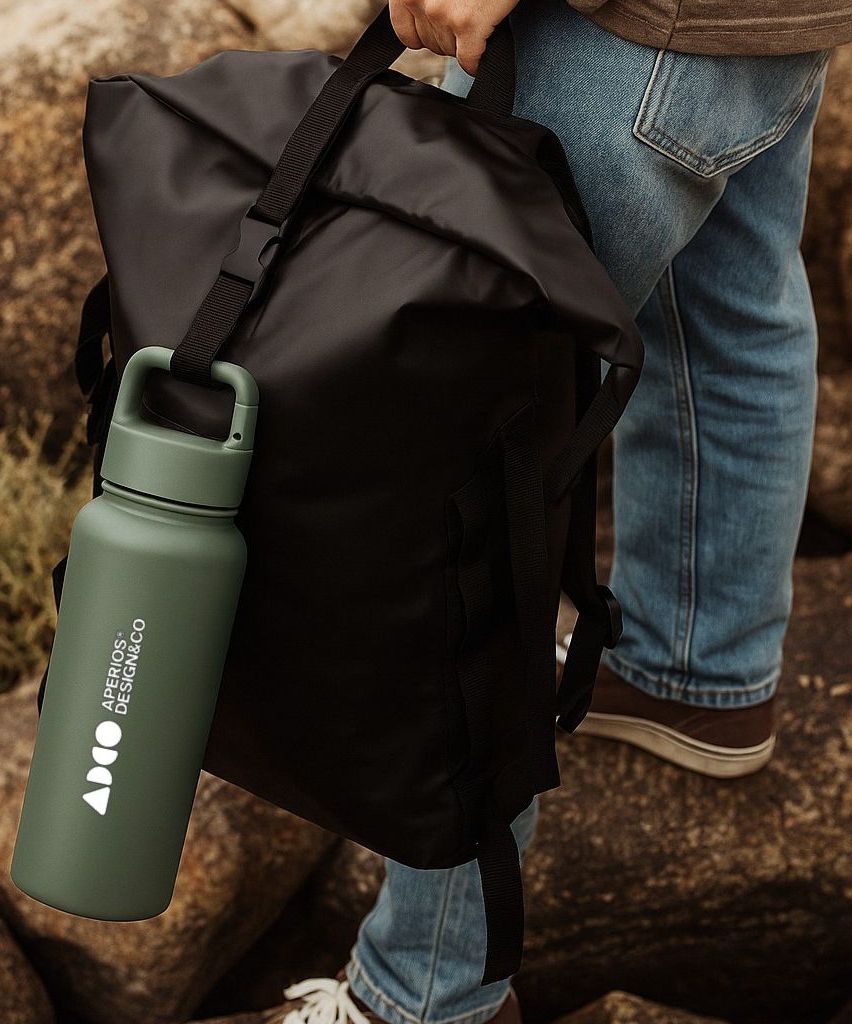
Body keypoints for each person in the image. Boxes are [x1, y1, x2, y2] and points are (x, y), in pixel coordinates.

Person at [263, 1, 850, 1022]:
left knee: (455, 464)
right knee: (725, 306)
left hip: (620, 32)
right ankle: (696, 670)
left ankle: (425, 988)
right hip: (759, 18)